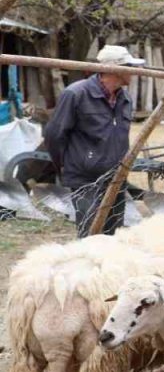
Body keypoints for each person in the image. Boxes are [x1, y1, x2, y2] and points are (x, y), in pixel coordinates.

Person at [43, 44, 141, 236]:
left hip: (115, 177)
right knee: (90, 234)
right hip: (85, 178)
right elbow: (54, 135)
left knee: (113, 233)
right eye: (129, 66)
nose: (135, 71)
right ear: (114, 69)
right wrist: (66, 165)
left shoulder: (125, 98)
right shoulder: (76, 94)